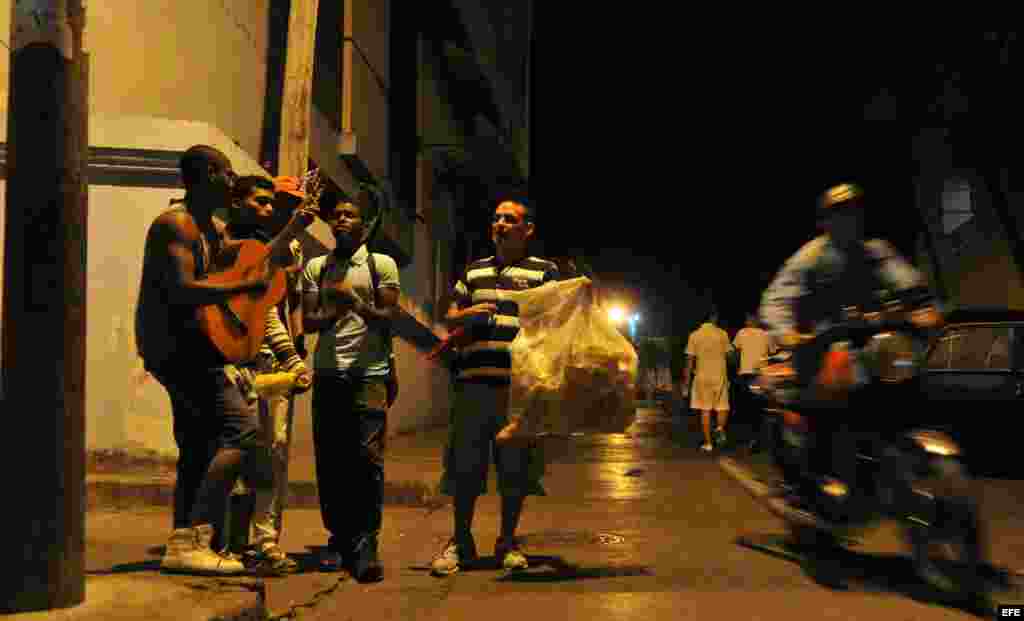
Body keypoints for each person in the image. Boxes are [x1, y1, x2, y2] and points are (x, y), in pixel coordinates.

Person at [758, 182, 942, 528]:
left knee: (903, 374)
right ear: (825, 221)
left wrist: (923, 308)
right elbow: (776, 299)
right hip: (821, 343)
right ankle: (821, 478)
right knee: (832, 383)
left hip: (870, 343)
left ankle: (885, 461)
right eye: (839, 213)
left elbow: (907, 282)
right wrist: (788, 333)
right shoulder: (811, 256)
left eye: (853, 212)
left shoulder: (876, 250)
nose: (848, 219)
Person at [135, 145, 273, 575]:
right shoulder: (174, 225)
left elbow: (248, 260)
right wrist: (240, 291)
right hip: (176, 350)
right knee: (243, 431)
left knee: (197, 446)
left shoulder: (210, 228)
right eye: (228, 173)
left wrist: (290, 225)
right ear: (210, 174)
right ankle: (196, 532)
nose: (234, 181)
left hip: (198, 347)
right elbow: (183, 289)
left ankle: (184, 545)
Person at [430, 197, 560, 577]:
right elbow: (449, 315)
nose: (500, 224)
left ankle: (507, 540)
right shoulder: (474, 272)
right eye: (496, 219)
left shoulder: (544, 272)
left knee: (514, 469)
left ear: (528, 229)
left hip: (518, 389)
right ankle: (461, 542)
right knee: (464, 467)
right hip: (472, 385)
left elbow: (557, 319)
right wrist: (465, 314)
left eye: (510, 219)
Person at [301, 189, 400, 582]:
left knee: (367, 459)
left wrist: (356, 303)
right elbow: (308, 323)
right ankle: (338, 538)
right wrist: (334, 310)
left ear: (364, 224)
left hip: (369, 374)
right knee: (331, 461)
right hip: (328, 373)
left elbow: (387, 316)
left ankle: (365, 542)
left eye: (349, 215)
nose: (340, 219)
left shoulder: (381, 265)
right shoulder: (317, 267)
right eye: (336, 214)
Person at [223, 175, 313, 575]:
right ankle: (228, 542)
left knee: (272, 453)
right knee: (236, 453)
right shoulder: (226, 246)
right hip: (234, 363)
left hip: (274, 364)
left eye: (291, 204)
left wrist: (292, 358)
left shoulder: (287, 250)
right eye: (273, 202)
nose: (276, 210)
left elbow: (272, 310)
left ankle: (264, 541)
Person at [682, 309, 734, 452]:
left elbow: (689, 360)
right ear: (713, 318)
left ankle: (708, 444)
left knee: (705, 410)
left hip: (702, 376)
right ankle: (719, 428)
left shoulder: (694, 335)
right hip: (720, 375)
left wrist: (686, 382)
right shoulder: (722, 334)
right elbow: (730, 355)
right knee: (722, 406)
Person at [732, 313, 776, 453]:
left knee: (746, 407)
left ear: (748, 320)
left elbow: (735, 352)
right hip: (760, 375)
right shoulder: (766, 334)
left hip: (745, 374)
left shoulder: (741, 333)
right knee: (759, 407)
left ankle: (749, 438)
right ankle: (758, 439)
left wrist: (736, 367)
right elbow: (773, 351)